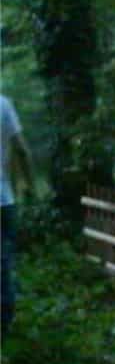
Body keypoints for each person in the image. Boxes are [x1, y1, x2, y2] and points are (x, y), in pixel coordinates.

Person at [1, 94, 35, 336]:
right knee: (3, 261)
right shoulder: (3, 104)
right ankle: (4, 325)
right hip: (4, 200)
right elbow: (22, 150)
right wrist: (30, 186)